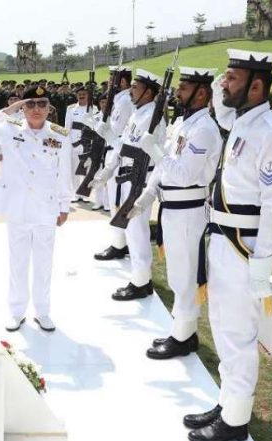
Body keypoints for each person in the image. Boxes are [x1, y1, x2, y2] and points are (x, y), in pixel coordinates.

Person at [184, 50, 272, 441]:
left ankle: (235, 419)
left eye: (231, 78)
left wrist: (262, 263)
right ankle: (227, 400)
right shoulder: (241, 123)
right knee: (222, 325)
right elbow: (221, 109)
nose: (223, 84)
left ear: (256, 86)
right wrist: (221, 86)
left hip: (243, 248)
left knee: (240, 334)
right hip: (220, 240)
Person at [127, 67, 222, 359]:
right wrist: (145, 197)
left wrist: (155, 152)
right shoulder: (183, 124)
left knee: (184, 277)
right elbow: (164, 170)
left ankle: (183, 337)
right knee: (177, 274)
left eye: (183, 88)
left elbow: (182, 174)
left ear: (201, 93)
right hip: (173, 207)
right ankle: (182, 331)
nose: (176, 93)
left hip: (187, 211)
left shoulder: (204, 129)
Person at [0, 85, 72, 333]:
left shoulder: (60, 135)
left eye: (42, 104)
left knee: (43, 263)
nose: (36, 109)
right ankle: (17, 312)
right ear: (23, 107)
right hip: (18, 207)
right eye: (30, 104)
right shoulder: (9, 128)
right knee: (17, 262)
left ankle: (42, 311)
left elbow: (64, 174)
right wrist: (8, 110)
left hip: (46, 208)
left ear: (49, 108)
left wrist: (64, 206)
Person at [90, 69, 166, 300]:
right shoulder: (138, 114)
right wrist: (107, 171)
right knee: (130, 230)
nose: (131, 91)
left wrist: (111, 139)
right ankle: (138, 276)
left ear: (149, 92)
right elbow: (124, 144)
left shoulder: (154, 118)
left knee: (137, 231)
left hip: (140, 179)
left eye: (136, 87)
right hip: (127, 176)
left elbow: (139, 151)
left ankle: (142, 282)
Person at [92, 67, 134, 261]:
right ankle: (120, 242)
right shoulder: (119, 100)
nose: (109, 83)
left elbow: (115, 130)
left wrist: (99, 126)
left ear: (122, 82)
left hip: (118, 153)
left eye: (112, 80)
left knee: (116, 201)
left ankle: (119, 244)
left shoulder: (124, 101)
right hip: (114, 151)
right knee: (113, 199)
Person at [64, 84, 97, 203]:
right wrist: (67, 143)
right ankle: (75, 193)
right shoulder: (71, 109)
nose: (82, 96)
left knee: (87, 169)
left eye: (84, 94)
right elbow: (67, 127)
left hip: (88, 144)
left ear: (88, 95)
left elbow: (96, 128)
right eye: (79, 94)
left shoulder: (94, 109)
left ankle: (85, 194)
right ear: (76, 96)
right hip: (74, 143)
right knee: (74, 169)